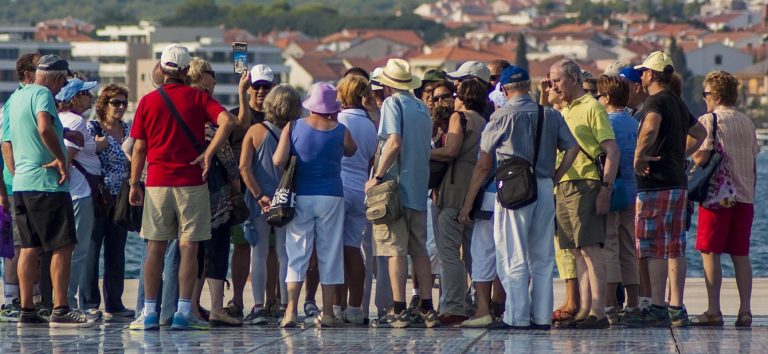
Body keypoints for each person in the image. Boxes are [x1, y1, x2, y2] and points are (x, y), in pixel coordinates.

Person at [460, 65, 579, 329]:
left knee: (512, 252)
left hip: (513, 188)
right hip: (545, 186)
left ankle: (517, 317)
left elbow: (483, 163)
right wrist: (557, 176)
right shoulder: (550, 114)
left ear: (503, 89)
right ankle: (540, 316)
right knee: (543, 256)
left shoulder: (501, 116)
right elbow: (572, 148)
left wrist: (468, 202)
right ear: (528, 86)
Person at [128, 44, 235, 331]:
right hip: (192, 183)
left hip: (157, 183)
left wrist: (134, 183)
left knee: (154, 248)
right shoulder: (199, 98)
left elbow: (139, 148)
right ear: (188, 70)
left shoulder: (148, 101)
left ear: (162, 69)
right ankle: (184, 311)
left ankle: (149, 313)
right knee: (189, 248)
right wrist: (209, 153)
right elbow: (228, 121)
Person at [3, 54, 94, 327]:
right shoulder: (43, 94)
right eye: (63, 80)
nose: (63, 86)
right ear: (55, 77)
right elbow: (43, 127)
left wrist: (16, 168)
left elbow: (6, 140)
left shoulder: (14, 98)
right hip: (47, 184)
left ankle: (27, 310)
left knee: (29, 247)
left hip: (22, 184)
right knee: (62, 245)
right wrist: (61, 159)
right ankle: (60, 308)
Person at [626, 51, 706, 327]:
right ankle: (676, 307)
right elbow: (701, 135)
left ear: (652, 74)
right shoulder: (677, 101)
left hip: (655, 184)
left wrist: (638, 156)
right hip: (677, 183)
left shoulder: (655, 102)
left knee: (652, 247)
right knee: (675, 247)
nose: (642, 75)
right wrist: (680, 155)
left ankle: (657, 306)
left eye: (644, 71)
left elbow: (649, 128)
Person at [272, 82, 356, 328]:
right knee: (329, 253)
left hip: (302, 195)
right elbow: (352, 150)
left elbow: (278, 160)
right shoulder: (341, 130)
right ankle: (328, 312)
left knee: (297, 253)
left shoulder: (293, 126)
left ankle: (290, 312)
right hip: (331, 195)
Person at [365, 59, 436, 328]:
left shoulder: (391, 104)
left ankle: (398, 308)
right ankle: (427, 307)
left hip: (394, 190)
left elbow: (394, 142)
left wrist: (377, 177)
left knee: (395, 249)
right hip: (419, 188)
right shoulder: (421, 108)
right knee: (419, 250)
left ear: (387, 85)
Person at [548, 59, 619, 329]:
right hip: (566, 183)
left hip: (586, 183)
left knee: (590, 248)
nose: (553, 85)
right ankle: (585, 308)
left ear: (574, 79)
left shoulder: (592, 108)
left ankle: (598, 310)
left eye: (557, 80)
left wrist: (605, 189)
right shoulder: (563, 110)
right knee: (577, 250)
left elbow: (611, 151)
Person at [690, 71, 757, 327]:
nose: (704, 98)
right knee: (741, 254)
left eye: (706, 94)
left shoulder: (709, 120)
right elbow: (752, 158)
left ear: (716, 96)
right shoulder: (747, 122)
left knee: (710, 251)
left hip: (718, 197)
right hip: (745, 196)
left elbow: (701, 157)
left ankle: (714, 310)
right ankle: (746, 310)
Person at [188, 57, 243, 326]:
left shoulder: (180, 103)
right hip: (214, 191)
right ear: (201, 76)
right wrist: (237, 188)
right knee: (217, 249)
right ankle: (217, 308)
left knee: (192, 250)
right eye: (211, 73)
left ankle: (190, 305)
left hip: (185, 186)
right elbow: (226, 147)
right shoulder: (205, 105)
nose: (216, 79)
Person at [239, 84, 299, 325]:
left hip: (260, 201)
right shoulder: (296, 131)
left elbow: (244, 167)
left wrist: (258, 194)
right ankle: (285, 305)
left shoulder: (255, 131)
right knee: (286, 253)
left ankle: (258, 306)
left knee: (259, 252)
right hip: (287, 200)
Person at [431, 79, 488, 326]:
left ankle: (453, 305)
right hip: (475, 190)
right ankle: (474, 303)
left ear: (462, 97)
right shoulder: (484, 121)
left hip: (454, 189)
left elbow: (451, 150)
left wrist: (424, 152)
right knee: (472, 251)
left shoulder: (459, 117)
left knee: (449, 252)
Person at [227, 64, 277, 320]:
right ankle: (237, 299)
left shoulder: (280, 120)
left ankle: (272, 300)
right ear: (248, 88)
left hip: (269, 193)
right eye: (256, 86)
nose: (260, 91)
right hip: (242, 193)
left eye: (265, 87)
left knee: (271, 249)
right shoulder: (236, 116)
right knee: (242, 246)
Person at [81, 84, 134, 321]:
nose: (121, 107)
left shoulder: (128, 130)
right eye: (115, 102)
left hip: (122, 197)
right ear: (104, 104)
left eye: (123, 103)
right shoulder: (93, 129)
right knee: (92, 250)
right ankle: (89, 303)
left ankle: (115, 303)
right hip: (98, 197)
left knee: (117, 251)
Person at [55, 78, 103, 322]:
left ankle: (60, 300)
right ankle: (69, 302)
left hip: (68, 193)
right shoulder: (76, 121)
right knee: (79, 251)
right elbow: (67, 155)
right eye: (86, 93)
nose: (90, 98)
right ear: (74, 98)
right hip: (79, 192)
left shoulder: (59, 119)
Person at [594, 76, 641, 323]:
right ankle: (633, 302)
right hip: (633, 191)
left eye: (600, 96)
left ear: (608, 98)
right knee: (628, 246)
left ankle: (611, 302)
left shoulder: (607, 123)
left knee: (609, 245)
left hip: (613, 189)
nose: (597, 100)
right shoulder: (634, 124)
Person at [0, 53, 41, 322]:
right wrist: (17, 177)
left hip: (28, 184)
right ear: (28, 73)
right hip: (17, 187)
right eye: (40, 69)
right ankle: (10, 300)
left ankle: (32, 298)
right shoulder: (14, 102)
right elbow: (6, 145)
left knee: (31, 243)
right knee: (15, 245)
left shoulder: (32, 98)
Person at [335, 75, 378, 324]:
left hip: (339, 186)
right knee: (353, 249)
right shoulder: (371, 124)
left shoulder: (340, 120)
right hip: (361, 187)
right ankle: (355, 307)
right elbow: (371, 160)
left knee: (334, 250)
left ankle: (337, 305)